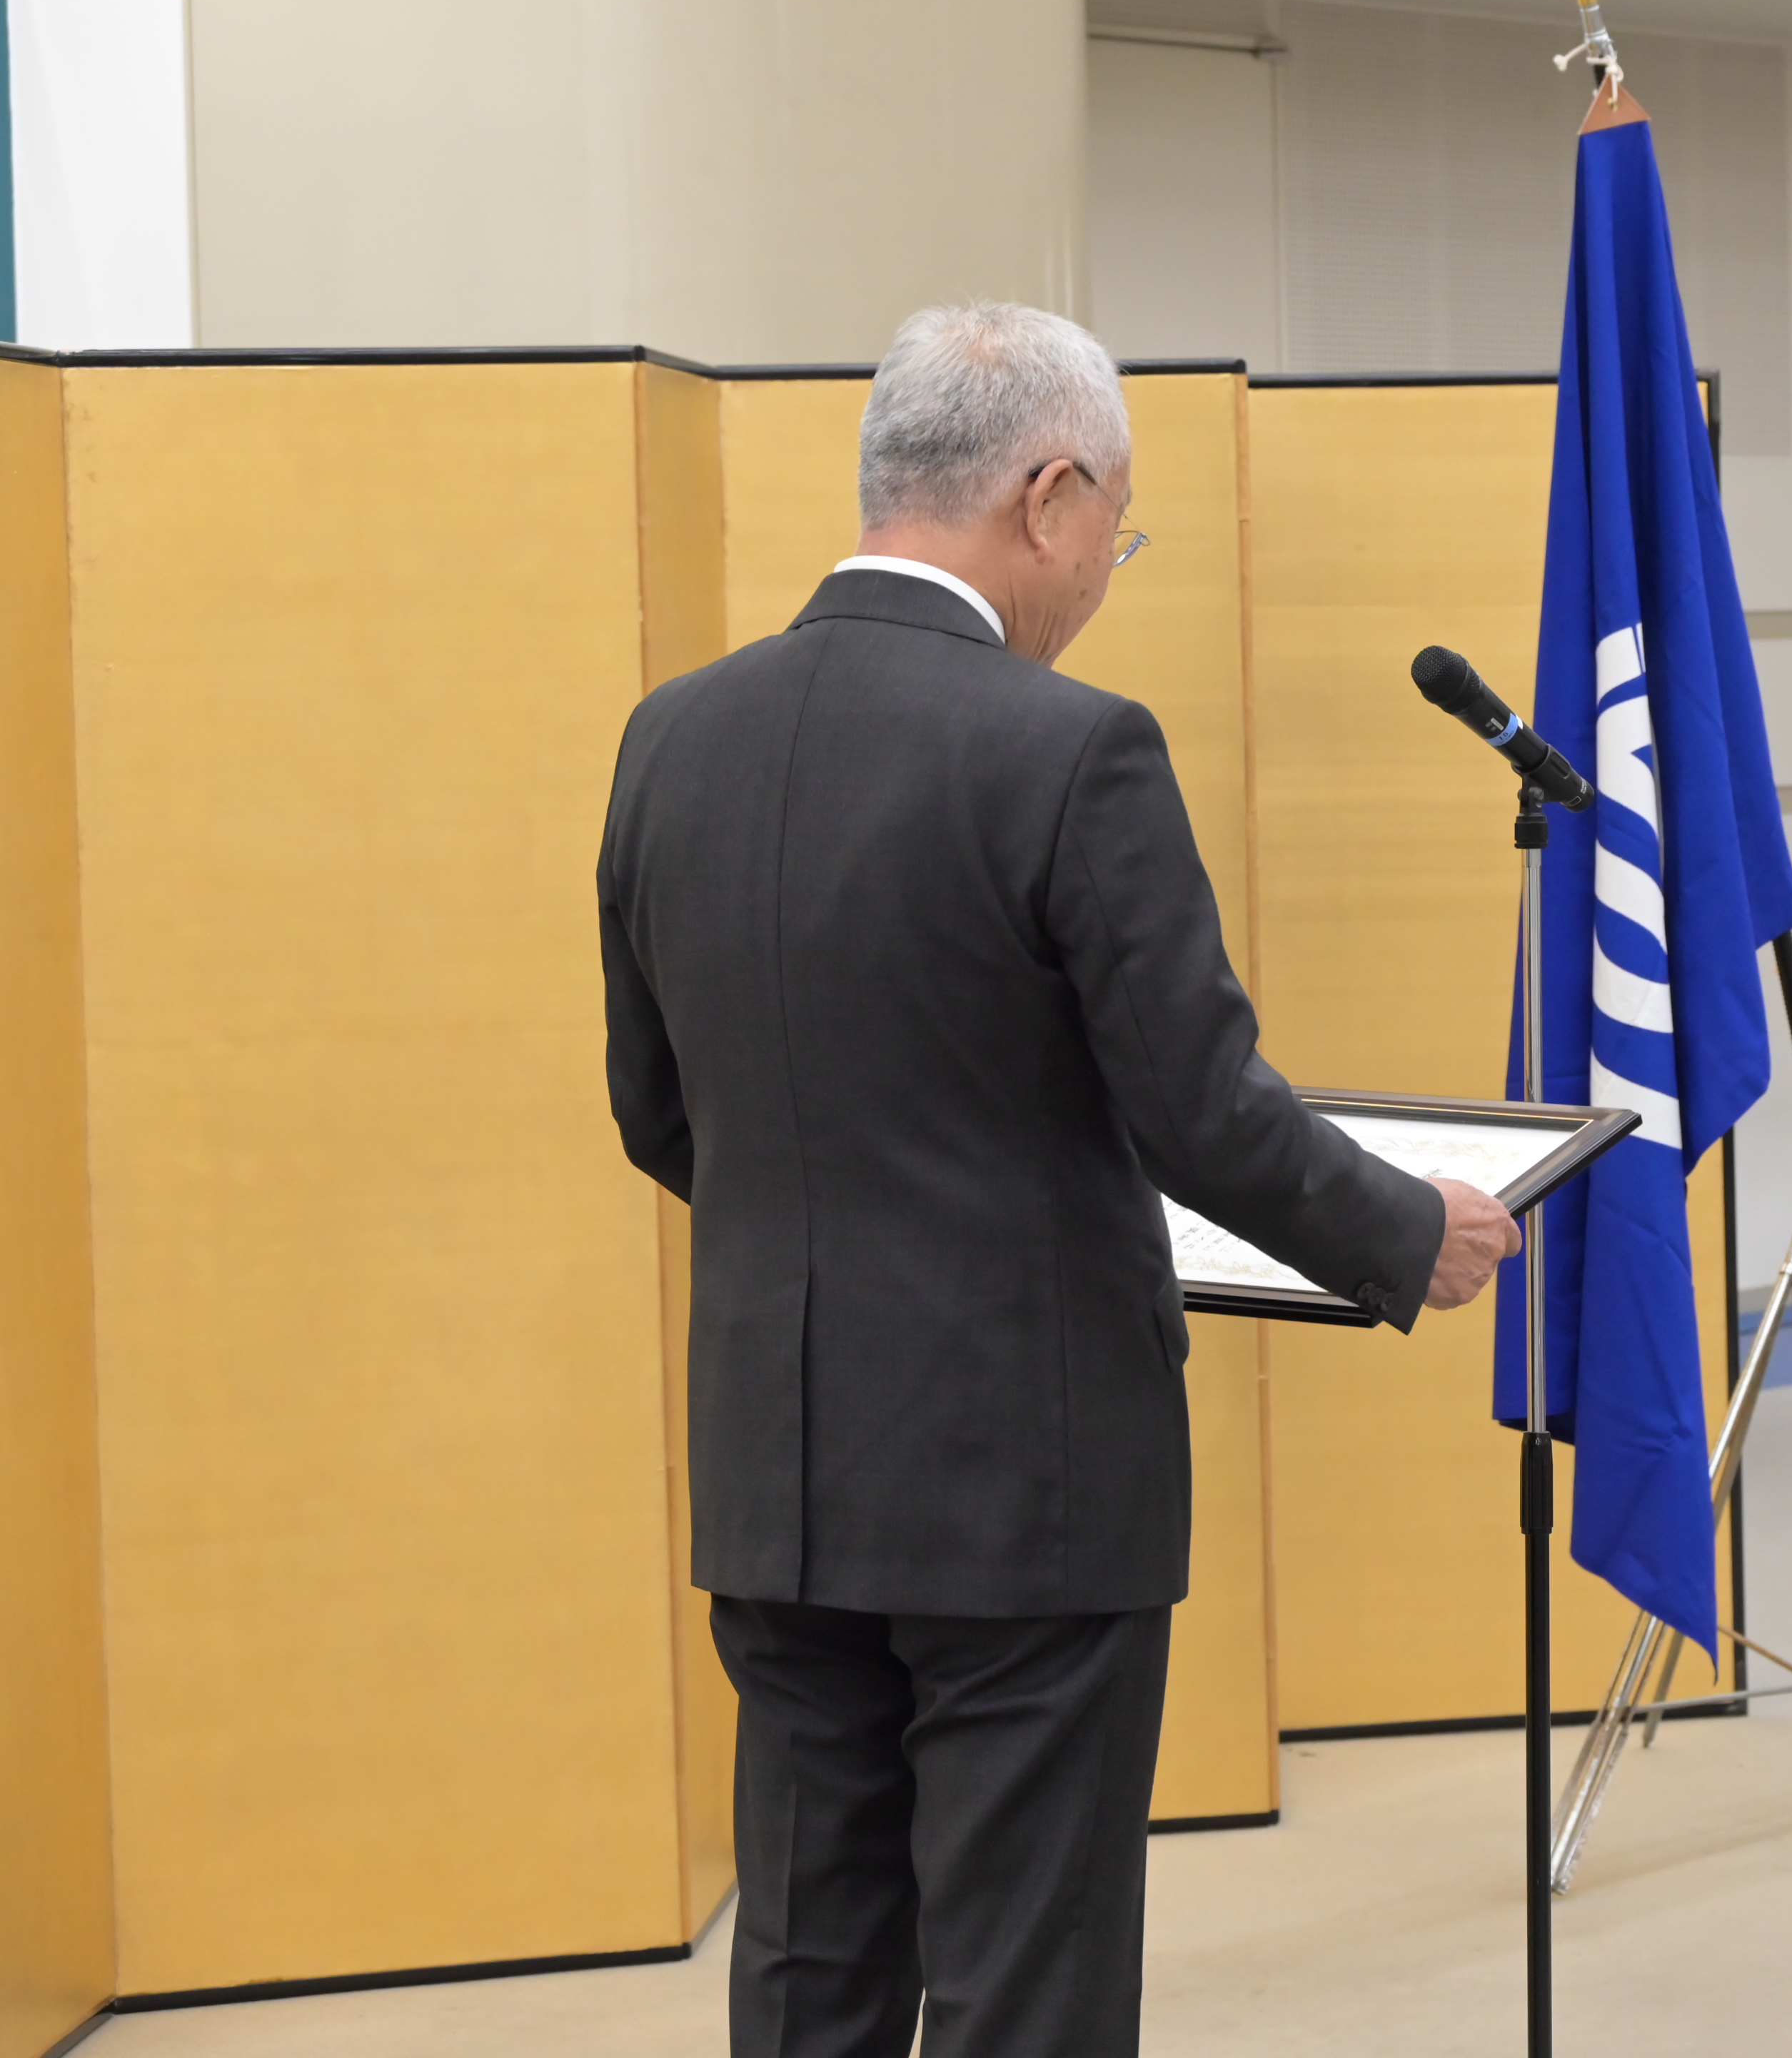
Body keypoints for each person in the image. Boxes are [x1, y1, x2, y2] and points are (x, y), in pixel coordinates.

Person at [596, 301, 1520, 2058]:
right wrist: (1414, 1228)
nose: (1108, 566)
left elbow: (658, 1110)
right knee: (1031, 1977)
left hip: (778, 1476)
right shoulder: (1070, 746)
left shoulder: (674, 736)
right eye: (1119, 525)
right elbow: (1199, 1109)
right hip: (1025, 1486)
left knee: (809, 1961)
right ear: (1049, 493)